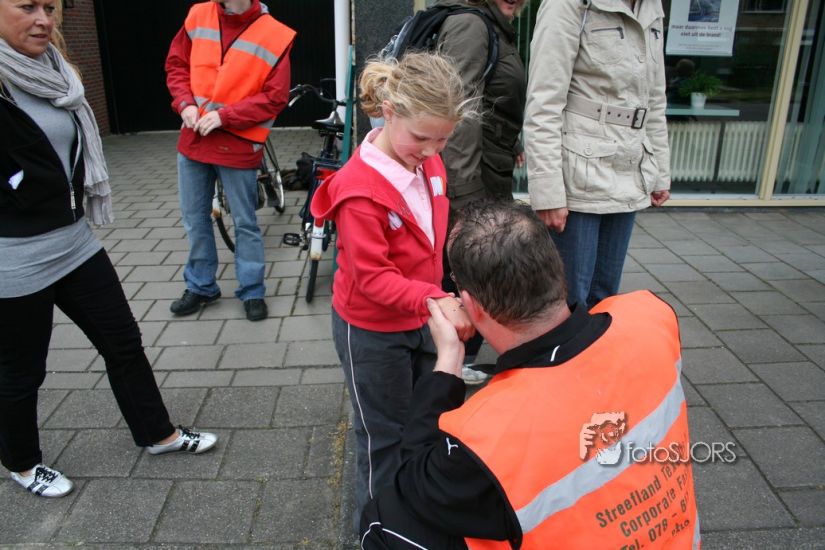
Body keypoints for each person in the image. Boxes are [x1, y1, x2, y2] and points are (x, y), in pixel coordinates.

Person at [359, 201, 700, 549]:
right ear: (556, 270)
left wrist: (448, 362)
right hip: (677, 538)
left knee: (385, 518)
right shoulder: (650, 316)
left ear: (471, 305)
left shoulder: (492, 435)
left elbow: (416, 484)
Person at [0, 0, 216, 499]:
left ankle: (157, 434)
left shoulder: (56, 71)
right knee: (22, 371)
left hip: (74, 241)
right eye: (27, 6)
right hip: (15, 258)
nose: (43, 19)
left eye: (49, 7)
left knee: (123, 342)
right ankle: (22, 463)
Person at [310, 52, 476, 525]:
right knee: (383, 435)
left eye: (443, 139)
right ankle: (379, 526)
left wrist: (451, 285)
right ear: (388, 112)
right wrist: (435, 297)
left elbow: (434, 235)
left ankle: (418, 507)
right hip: (371, 330)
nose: (431, 150)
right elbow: (372, 277)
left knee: (426, 421)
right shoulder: (359, 190)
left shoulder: (430, 163)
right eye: (421, 137)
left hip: (420, 317)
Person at [524, 0, 671, 309]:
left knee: (606, 298)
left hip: (628, 168)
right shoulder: (569, 5)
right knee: (568, 302)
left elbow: (654, 100)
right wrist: (548, 193)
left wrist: (660, 171)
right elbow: (544, 104)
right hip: (578, 174)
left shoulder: (651, 7)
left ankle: (596, 344)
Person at [165, 0, 295, 321]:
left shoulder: (274, 34)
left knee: (245, 222)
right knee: (195, 218)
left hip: (237, 142)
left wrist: (226, 116)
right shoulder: (199, 14)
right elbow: (177, 64)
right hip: (194, 138)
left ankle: (252, 290)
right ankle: (201, 286)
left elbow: (275, 97)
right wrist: (184, 103)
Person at [436, 0, 527, 385]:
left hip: (486, 168)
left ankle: (457, 358)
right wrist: (465, 195)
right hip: (472, 177)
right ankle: (449, 363)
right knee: (463, 272)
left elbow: (490, 99)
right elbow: (459, 110)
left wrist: (510, 139)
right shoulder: (472, 25)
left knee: (467, 272)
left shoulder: (492, 25)